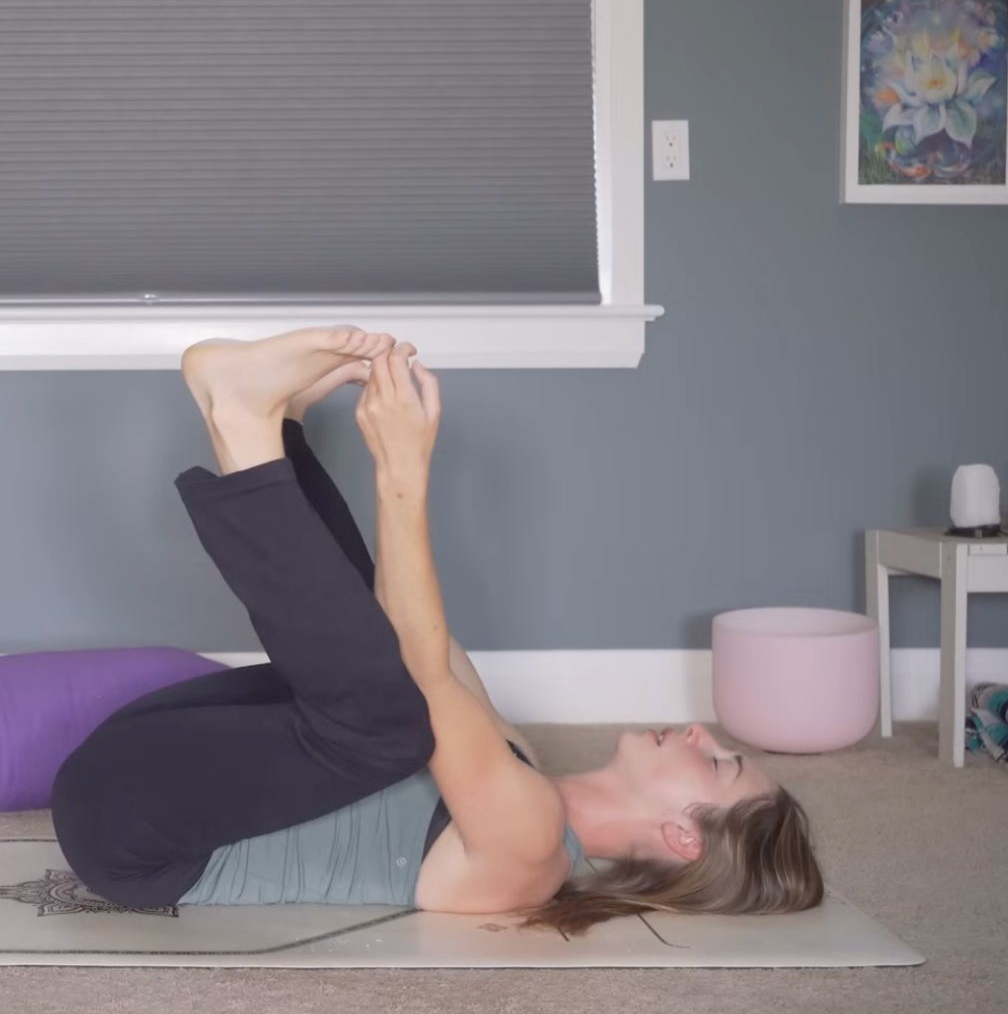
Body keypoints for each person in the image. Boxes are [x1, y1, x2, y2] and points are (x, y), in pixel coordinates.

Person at [50, 326, 824, 935]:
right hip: (153, 752)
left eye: (717, 765)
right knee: (384, 661)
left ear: (682, 838)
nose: (698, 731)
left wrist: (404, 468)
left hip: (133, 833)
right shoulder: (520, 760)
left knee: (393, 717)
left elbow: (421, 677)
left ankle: (242, 416)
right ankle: (269, 426)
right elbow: (405, 629)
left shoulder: (533, 855)